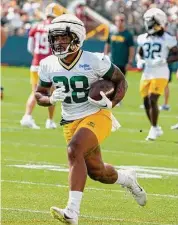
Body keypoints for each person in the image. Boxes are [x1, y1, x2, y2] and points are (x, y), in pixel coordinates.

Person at [35, 14, 147, 225]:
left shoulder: (94, 60)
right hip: (70, 120)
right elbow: (38, 93)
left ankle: (72, 212)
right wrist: (49, 98)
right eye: (55, 38)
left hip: (96, 114)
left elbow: (120, 81)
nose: (58, 42)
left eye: (63, 38)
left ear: (77, 38)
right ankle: (127, 179)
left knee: (74, 150)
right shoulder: (48, 64)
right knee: (97, 171)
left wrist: (111, 103)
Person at [136, 8, 178, 141]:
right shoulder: (143, 38)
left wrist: (165, 60)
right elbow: (140, 52)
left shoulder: (168, 38)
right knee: (145, 101)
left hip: (161, 72)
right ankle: (155, 127)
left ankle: (153, 128)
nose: (148, 24)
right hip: (147, 72)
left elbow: (176, 53)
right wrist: (139, 60)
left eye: (150, 22)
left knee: (152, 98)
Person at [20, 3, 63, 129]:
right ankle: (47, 120)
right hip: (50, 66)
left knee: (35, 92)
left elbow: (30, 48)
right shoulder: (56, 29)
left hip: (36, 64)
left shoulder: (35, 26)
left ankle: (28, 116)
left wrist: (38, 57)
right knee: (52, 93)